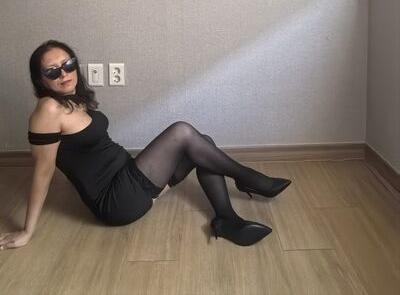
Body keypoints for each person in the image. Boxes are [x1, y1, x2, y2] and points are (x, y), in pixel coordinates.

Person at [0, 40, 291, 251]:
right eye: (53, 71)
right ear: (40, 80)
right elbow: (43, 171)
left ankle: (226, 218)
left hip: (130, 179)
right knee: (182, 132)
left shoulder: (73, 100)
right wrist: (27, 231)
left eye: (68, 65)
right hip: (116, 201)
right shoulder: (48, 110)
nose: (64, 74)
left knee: (203, 143)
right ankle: (248, 178)